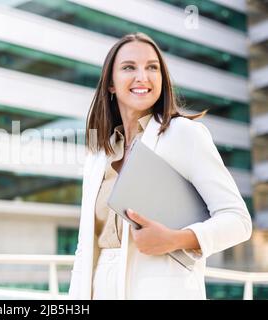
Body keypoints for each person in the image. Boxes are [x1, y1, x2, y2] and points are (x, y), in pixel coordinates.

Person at [68, 32, 252, 300]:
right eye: (129, 67)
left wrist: (177, 238)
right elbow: (85, 249)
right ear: (110, 83)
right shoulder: (97, 155)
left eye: (152, 67)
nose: (142, 76)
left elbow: (238, 221)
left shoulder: (184, 135)